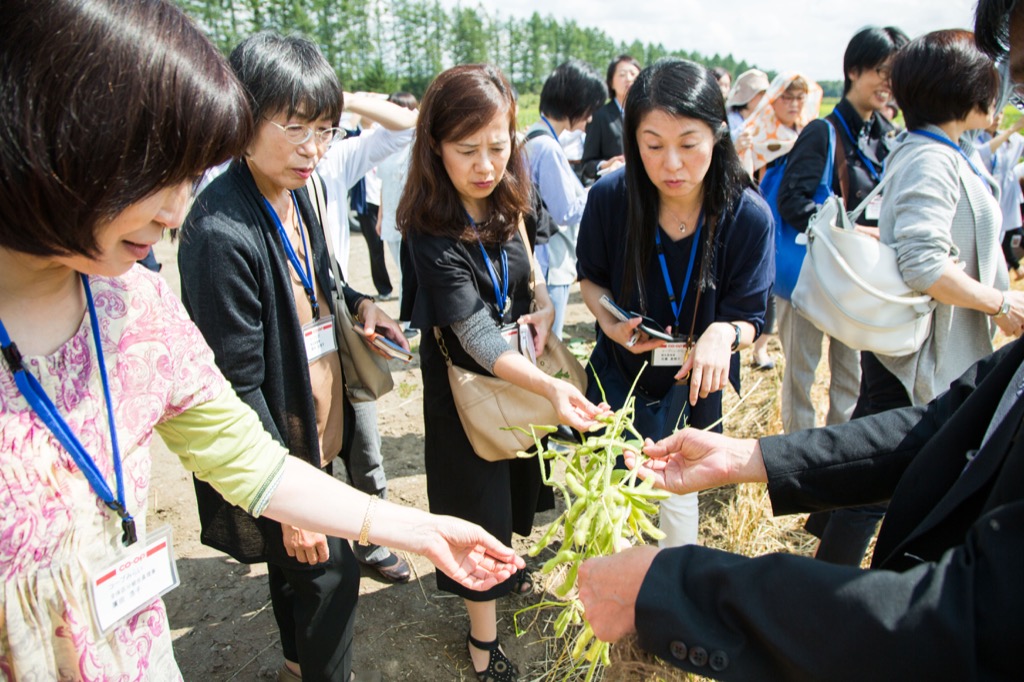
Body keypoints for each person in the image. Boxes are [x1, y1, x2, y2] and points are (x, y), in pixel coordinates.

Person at [0, 2, 524, 680]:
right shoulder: (217, 233)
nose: (173, 210)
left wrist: (421, 529)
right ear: (47, 136)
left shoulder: (132, 300)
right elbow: (244, 388)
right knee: (318, 584)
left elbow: (243, 450)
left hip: (127, 644)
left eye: (189, 176)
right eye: (155, 172)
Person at [397, 64, 608, 682]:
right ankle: (483, 647)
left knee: (514, 489)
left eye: (498, 146)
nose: (487, 164)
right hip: (470, 392)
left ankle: (500, 576)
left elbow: (530, 276)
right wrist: (549, 385)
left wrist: (543, 305)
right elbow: (475, 335)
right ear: (435, 147)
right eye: (468, 151)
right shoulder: (428, 229)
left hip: (514, 380)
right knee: (476, 507)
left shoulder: (508, 198)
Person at [576, 59, 774, 548]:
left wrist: (722, 333)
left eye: (688, 144)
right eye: (653, 146)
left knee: (679, 504)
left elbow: (750, 317)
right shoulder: (610, 198)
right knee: (614, 501)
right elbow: (591, 281)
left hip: (694, 386)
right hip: (621, 374)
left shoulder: (747, 216)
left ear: (717, 136)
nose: (672, 165)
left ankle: (670, 602)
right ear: (632, 140)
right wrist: (610, 321)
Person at [774, 26, 908, 565]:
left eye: (895, 76)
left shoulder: (888, 134)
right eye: (881, 72)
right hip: (815, 279)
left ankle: (832, 481)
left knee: (851, 383)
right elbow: (793, 199)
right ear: (854, 71)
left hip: (859, 286)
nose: (887, 84)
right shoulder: (822, 133)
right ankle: (795, 475)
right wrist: (845, 233)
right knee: (802, 376)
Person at [523, 60, 607, 340]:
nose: (591, 118)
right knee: (550, 342)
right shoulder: (548, 148)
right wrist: (602, 185)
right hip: (551, 261)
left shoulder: (534, 137)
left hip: (540, 256)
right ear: (577, 103)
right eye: (591, 109)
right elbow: (567, 211)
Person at [376, 92, 420, 337]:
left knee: (408, 271)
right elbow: (384, 185)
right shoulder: (385, 144)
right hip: (391, 217)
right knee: (402, 270)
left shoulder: (415, 143)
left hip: (410, 219)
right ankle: (410, 316)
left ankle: (410, 320)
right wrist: (381, 217)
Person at [737, 70, 822, 179]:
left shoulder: (808, 132)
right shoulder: (754, 135)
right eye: (787, 98)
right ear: (773, 99)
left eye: (800, 97)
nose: (794, 104)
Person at [579, 55, 642, 186]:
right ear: (611, 82)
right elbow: (587, 166)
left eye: (633, 74)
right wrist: (604, 165)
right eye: (622, 74)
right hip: (615, 189)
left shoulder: (648, 115)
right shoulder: (599, 116)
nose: (629, 79)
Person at [977, 109, 1024, 280]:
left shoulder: (1014, 140)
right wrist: (1012, 129)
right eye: (996, 112)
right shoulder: (974, 137)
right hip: (986, 196)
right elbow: (982, 153)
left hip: (1008, 198)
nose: (998, 118)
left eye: (1002, 113)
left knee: (1004, 237)